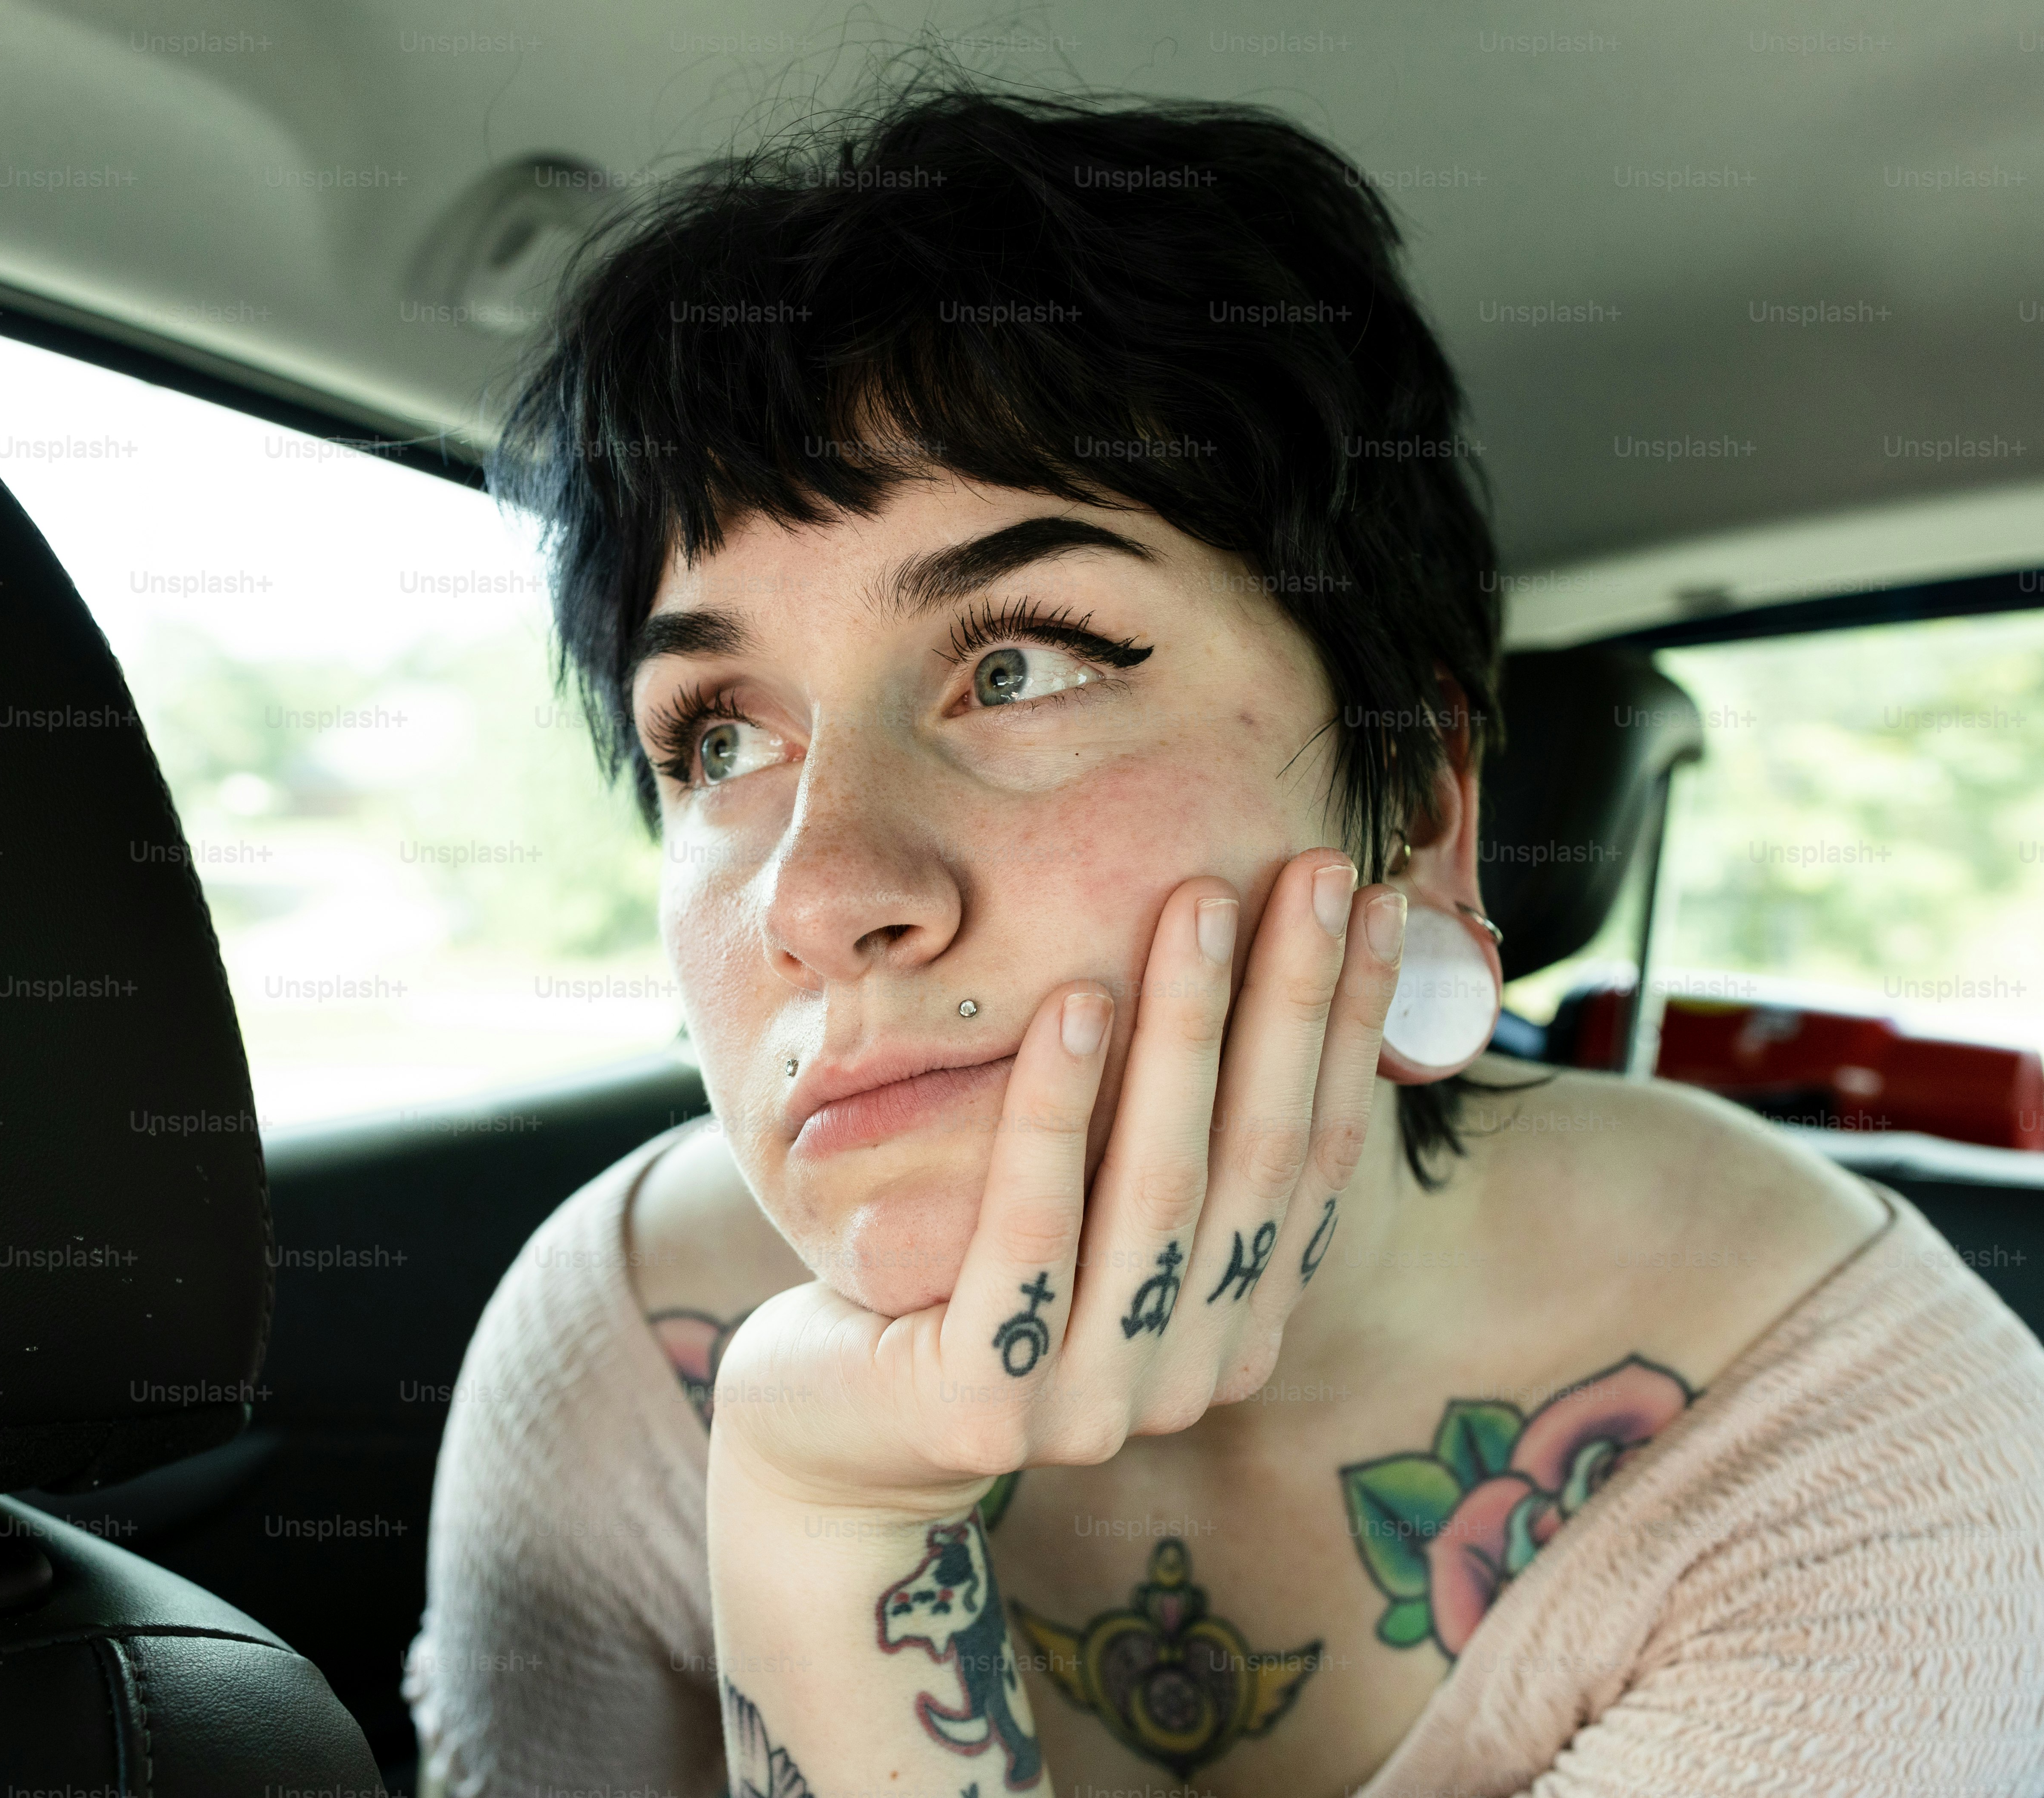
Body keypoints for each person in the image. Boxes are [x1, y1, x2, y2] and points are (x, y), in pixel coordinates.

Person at [406, 76, 2044, 1798]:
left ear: (1411, 810)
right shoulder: (620, 1338)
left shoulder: (1872, 1463)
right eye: (718, 737)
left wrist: (835, 1542)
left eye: (1021, 660)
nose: (819, 896)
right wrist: (808, 1471)